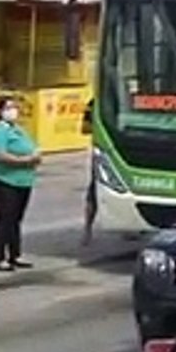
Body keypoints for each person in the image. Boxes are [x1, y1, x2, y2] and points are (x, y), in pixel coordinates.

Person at [0, 96, 41, 271]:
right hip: (3, 179)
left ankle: (15, 255)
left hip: (23, 180)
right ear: (0, 112)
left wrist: (35, 156)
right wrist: (24, 160)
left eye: (15, 107)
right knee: (5, 218)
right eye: (9, 108)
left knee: (16, 219)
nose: (13, 111)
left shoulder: (19, 130)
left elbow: (33, 148)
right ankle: (0, 258)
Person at [81, 99, 97, 246]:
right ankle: (87, 229)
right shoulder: (93, 103)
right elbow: (84, 128)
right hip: (103, 151)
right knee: (94, 191)